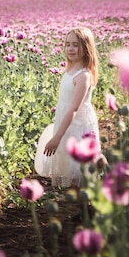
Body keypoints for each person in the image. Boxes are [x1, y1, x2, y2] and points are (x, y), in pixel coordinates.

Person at [35, 27, 103, 188]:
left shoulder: (83, 76)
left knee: (78, 165)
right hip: (66, 120)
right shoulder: (70, 70)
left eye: (76, 45)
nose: (70, 48)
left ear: (86, 48)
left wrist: (57, 136)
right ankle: (75, 199)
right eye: (68, 44)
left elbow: (73, 108)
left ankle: (83, 204)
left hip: (78, 124)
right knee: (67, 159)